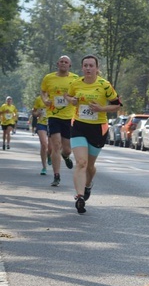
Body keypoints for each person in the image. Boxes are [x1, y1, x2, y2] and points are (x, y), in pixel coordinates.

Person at [66, 55, 122, 214]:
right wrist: (72, 101)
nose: (88, 68)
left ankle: (88, 185)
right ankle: (79, 197)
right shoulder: (76, 83)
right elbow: (68, 95)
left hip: (98, 129)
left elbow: (117, 105)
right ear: (82, 68)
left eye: (91, 66)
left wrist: (102, 109)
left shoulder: (105, 85)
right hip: (78, 126)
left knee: (89, 166)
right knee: (81, 162)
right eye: (85, 66)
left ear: (97, 68)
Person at [41, 56, 79, 187]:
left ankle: (66, 156)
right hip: (53, 115)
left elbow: (78, 94)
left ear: (70, 65)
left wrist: (74, 100)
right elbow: (43, 91)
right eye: (61, 62)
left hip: (69, 117)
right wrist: (45, 100)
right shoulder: (49, 78)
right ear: (57, 64)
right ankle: (56, 176)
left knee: (67, 149)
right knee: (55, 145)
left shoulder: (75, 79)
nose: (63, 64)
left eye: (66, 62)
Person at [31, 95, 52, 175]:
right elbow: (33, 112)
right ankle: (44, 167)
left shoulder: (54, 97)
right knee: (44, 144)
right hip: (41, 124)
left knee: (51, 148)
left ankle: (49, 154)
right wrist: (37, 113)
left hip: (52, 123)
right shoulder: (39, 99)